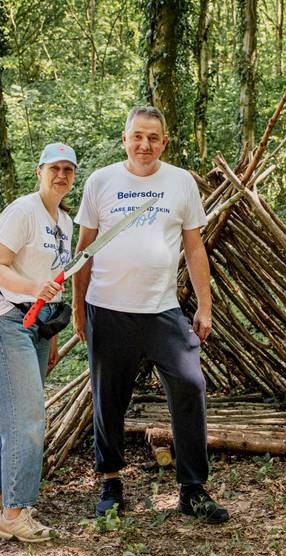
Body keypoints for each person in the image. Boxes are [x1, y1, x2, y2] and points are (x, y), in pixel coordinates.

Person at [73, 106, 229, 524]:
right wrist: (78, 307)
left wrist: (205, 305)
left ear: (164, 142)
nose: (144, 145)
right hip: (108, 309)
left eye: (153, 138)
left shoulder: (179, 182)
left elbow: (195, 248)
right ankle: (110, 483)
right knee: (108, 399)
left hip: (162, 310)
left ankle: (192, 489)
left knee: (190, 385)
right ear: (124, 139)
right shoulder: (101, 181)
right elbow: (83, 250)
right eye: (137, 136)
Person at [0, 143, 77, 542]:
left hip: (38, 325)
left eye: (69, 170)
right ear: (39, 170)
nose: (62, 176)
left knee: (11, 412)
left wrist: (49, 333)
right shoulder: (23, 211)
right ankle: (15, 514)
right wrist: (34, 288)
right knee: (30, 416)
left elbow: (52, 280)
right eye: (55, 168)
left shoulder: (65, 223)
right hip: (10, 320)